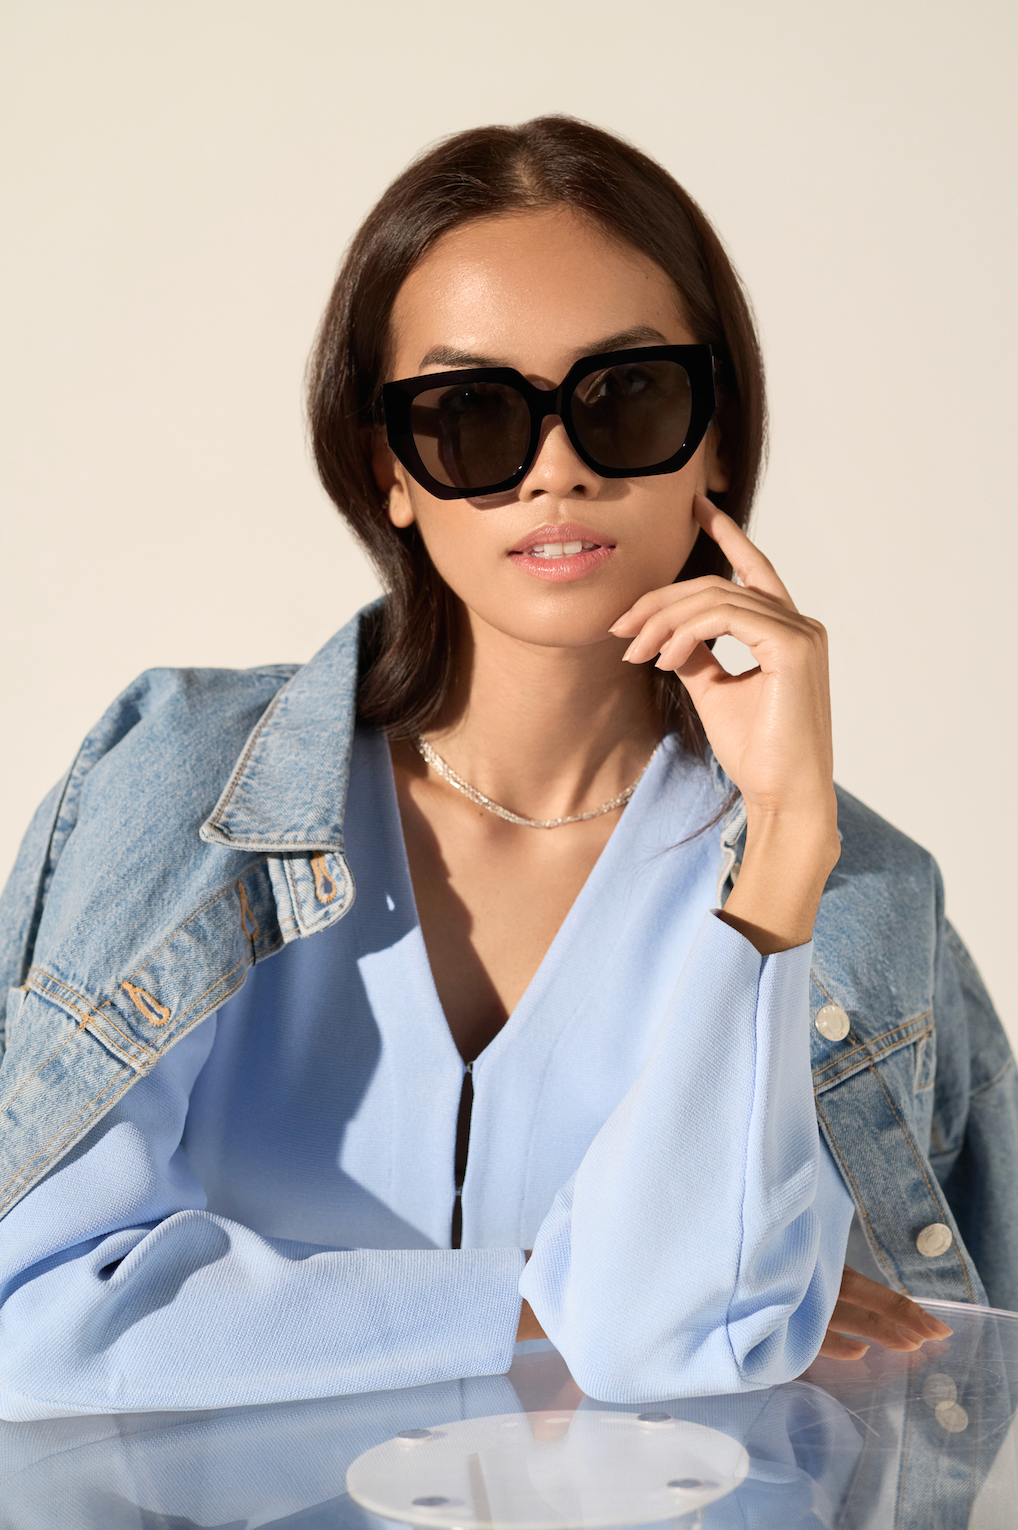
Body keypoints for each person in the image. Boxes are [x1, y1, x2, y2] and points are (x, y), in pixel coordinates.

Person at [0, 117, 1010, 1421]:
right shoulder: (179, 788)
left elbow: (716, 1347)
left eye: (626, 396)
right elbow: (33, 1316)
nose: (557, 470)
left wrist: (787, 845)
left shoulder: (857, 898)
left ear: (714, 437)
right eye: (470, 415)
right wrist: (538, 1302)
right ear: (391, 469)